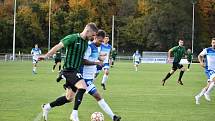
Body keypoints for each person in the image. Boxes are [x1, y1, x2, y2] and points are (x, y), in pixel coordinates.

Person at [39, 22, 98, 121]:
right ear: (87, 31)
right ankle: (74, 114)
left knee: (69, 98)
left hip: (75, 71)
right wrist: (46, 56)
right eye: (92, 35)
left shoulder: (86, 43)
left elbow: (83, 58)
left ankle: (47, 107)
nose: (92, 37)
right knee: (83, 87)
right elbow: (58, 46)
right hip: (69, 70)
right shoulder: (72, 38)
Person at [81, 29, 121, 121]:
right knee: (70, 98)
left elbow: (97, 58)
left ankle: (113, 117)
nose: (102, 43)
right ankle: (113, 117)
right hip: (84, 78)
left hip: (88, 78)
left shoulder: (97, 47)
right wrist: (96, 63)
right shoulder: (89, 47)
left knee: (70, 98)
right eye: (101, 41)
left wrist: (101, 59)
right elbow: (83, 61)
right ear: (95, 37)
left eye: (103, 41)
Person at [195, 38, 215, 104]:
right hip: (209, 69)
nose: (214, 44)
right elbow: (199, 56)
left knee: (209, 85)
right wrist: (201, 62)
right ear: (211, 43)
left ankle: (198, 96)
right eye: (213, 42)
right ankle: (207, 93)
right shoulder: (207, 50)